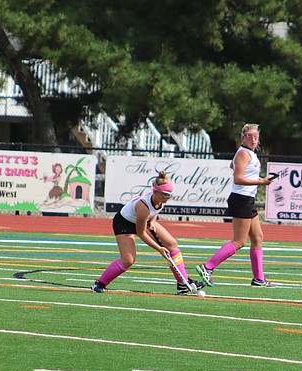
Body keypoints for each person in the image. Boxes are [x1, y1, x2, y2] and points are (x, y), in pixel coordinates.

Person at [92, 170, 204, 295]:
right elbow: (141, 233)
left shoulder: (160, 200)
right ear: (156, 192)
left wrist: (153, 222)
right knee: (128, 260)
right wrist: (159, 248)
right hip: (124, 223)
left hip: (144, 221)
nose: (167, 198)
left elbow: (155, 211)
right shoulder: (143, 206)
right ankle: (99, 283)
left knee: (172, 244)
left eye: (169, 195)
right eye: (165, 195)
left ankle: (182, 283)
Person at [195, 124, 276, 288]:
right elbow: (238, 178)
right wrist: (261, 182)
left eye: (256, 136)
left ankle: (259, 279)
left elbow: (234, 167)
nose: (253, 139)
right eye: (249, 136)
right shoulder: (244, 153)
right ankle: (207, 267)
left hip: (247, 198)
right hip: (241, 198)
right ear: (243, 137)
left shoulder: (248, 154)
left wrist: (259, 178)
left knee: (258, 238)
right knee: (239, 241)